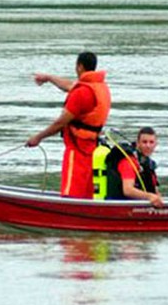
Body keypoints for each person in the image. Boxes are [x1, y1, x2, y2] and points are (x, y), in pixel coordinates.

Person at [26, 51, 111, 199]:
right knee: (87, 192)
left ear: (79, 66)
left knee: (72, 192)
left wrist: (38, 138)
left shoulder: (81, 93)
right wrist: (49, 78)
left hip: (77, 148)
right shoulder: (98, 86)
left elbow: (60, 123)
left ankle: (70, 214)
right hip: (93, 148)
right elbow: (69, 85)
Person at [107, 127, 164, 208]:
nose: (148, 146)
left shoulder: (148, 164)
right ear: (138, 143)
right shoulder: (129, 162)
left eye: (151, 142)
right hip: (121, 206)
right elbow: (127, 190)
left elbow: (155, 191)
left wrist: (157, 198)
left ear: (156, 144)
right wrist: (150, 196)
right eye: (144, 142)